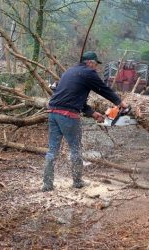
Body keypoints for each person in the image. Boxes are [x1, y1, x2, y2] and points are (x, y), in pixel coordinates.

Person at [42, 51, 128, 191]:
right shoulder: (88, 73)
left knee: (52, 150)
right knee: (75, 149)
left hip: (52, 113)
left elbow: (71, 97)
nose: (96, 68)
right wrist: (120, 103)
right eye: (95, 64)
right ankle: (77, 181)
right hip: (68, 115)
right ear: (89, 62)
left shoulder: (69, 72)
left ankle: (47, 184)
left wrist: (93, 113)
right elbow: (103, 89)